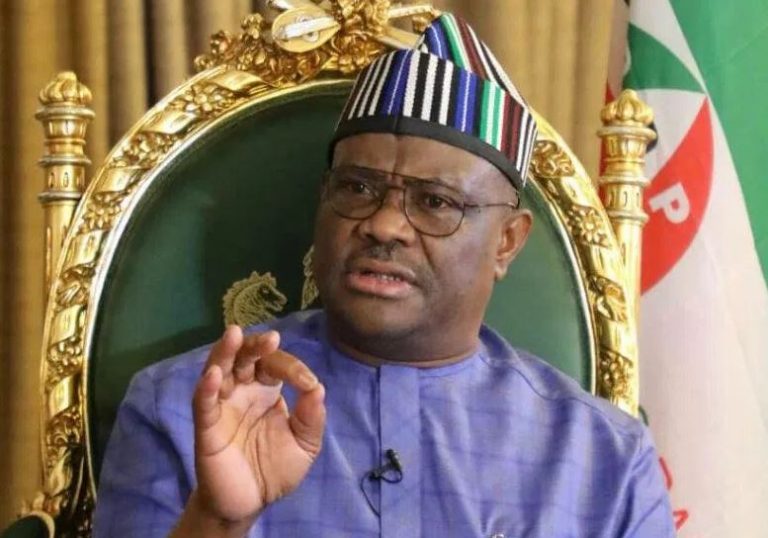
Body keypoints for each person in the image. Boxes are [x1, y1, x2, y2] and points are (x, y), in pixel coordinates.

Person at [93, 13, 674, 538]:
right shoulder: (183, 406)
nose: (385, 225)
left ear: (507, 241)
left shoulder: (605, 461)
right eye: (358, 188)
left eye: (436, 202)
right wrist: (218, 521)